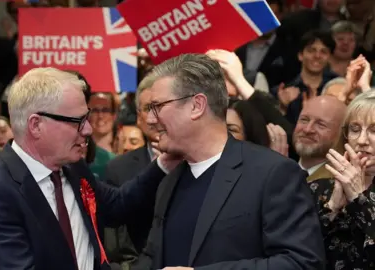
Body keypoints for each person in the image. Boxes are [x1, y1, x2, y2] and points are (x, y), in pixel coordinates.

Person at [0, 67, 180, 270]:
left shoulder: (73, 166)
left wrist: (164, 164)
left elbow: (116, 206)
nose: (88, 129)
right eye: (78, 121)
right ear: (36, 125)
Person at [134, 53, 325, 269]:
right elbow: (151, 258)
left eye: (158, 106)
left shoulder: (272, 174)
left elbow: (301, 263)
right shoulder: (170, 180)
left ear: (196, 106)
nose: (150, 120)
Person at [310, 90, 375, 269]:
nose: (361, 140)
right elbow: (298, 252)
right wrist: (331, 209)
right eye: (354, 129)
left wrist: (358, 198)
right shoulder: (317, 188)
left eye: (374, 130)